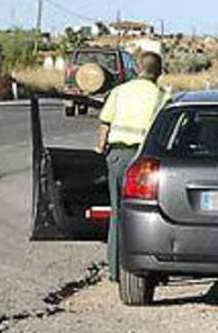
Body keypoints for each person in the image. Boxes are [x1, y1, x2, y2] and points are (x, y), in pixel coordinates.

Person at [95, 51, 168, 282]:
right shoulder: (162, 96)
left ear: (137, 69)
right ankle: (147, 270)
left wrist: (101, 149)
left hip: (118, 157)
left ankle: (116, 271)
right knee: (147, 214)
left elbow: (105, 124)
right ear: (160, 73)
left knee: (118, 215)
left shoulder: (119, 91)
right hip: (145, 161)